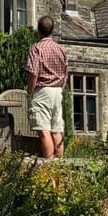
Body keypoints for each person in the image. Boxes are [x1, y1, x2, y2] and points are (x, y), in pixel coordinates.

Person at [26, 15, 68, 159]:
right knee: (56, 131)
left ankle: (49, 166)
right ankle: (59, 167)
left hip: (42, 91)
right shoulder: (60, 49)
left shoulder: (36, 48)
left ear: (38, 29)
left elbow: (33, 73)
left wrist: (29, 92)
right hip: (58, 91)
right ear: (52, 30)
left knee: (44, 131)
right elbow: (65, 73)